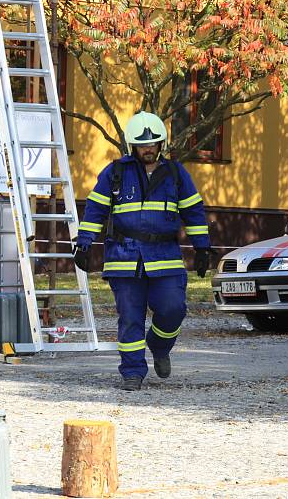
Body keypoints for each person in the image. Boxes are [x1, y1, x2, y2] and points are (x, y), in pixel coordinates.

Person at [73, 111, 211, 391]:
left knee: (174, 309)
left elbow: (194, 212)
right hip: (124, 257)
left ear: (162, 144)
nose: (147, 149)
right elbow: (96, 209)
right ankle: (132, 372)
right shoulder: (116, 173)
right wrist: (85, 242)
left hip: (166, 256)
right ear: (132, 146)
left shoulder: (175, 173)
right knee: (130, 317)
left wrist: (202, 248)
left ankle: (159, 346)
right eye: (141, 144)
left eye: (153, 144)